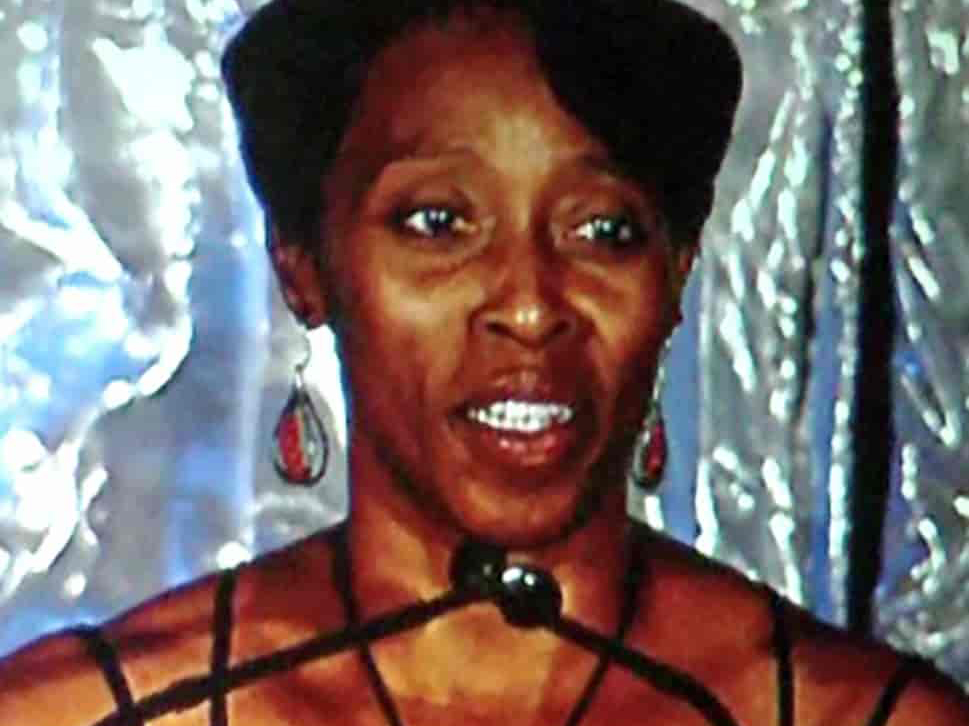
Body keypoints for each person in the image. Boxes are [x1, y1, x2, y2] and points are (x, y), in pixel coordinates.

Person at [1, 0, 967, 724]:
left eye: (602, 230)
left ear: (675, 275)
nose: (531, 306)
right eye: (437, 222)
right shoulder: (94, 713)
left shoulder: (854, 716)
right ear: (303, 266)